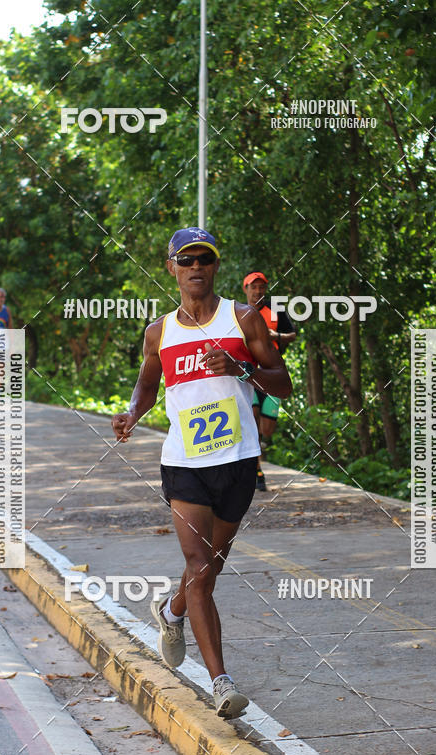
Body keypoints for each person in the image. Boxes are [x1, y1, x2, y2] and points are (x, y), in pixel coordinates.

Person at [112, 227, 292, 719]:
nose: (196, 267)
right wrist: (132, 413)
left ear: (215, 267)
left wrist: (239, 367)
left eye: (204, 259)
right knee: (198, 565)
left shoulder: (243, 319)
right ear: (171, 267)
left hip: (237, 461)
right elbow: (147, 385)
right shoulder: (159, 332)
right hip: (184, 463)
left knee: (210, 566)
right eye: (186, 259)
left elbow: (283, 383)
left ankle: (172, 611)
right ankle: (221, 683)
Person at [242, 271, 296, 491]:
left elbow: (292, 335)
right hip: (249, 374)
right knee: (252, 417)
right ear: (246, 289)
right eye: (253, 287)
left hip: (272, 373)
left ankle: (259, 449)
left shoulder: (276, 310)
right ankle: (257, 471)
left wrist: (277, 336)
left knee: (267, 428)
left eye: (261, 287)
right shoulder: (239, 313)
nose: (258, 291)